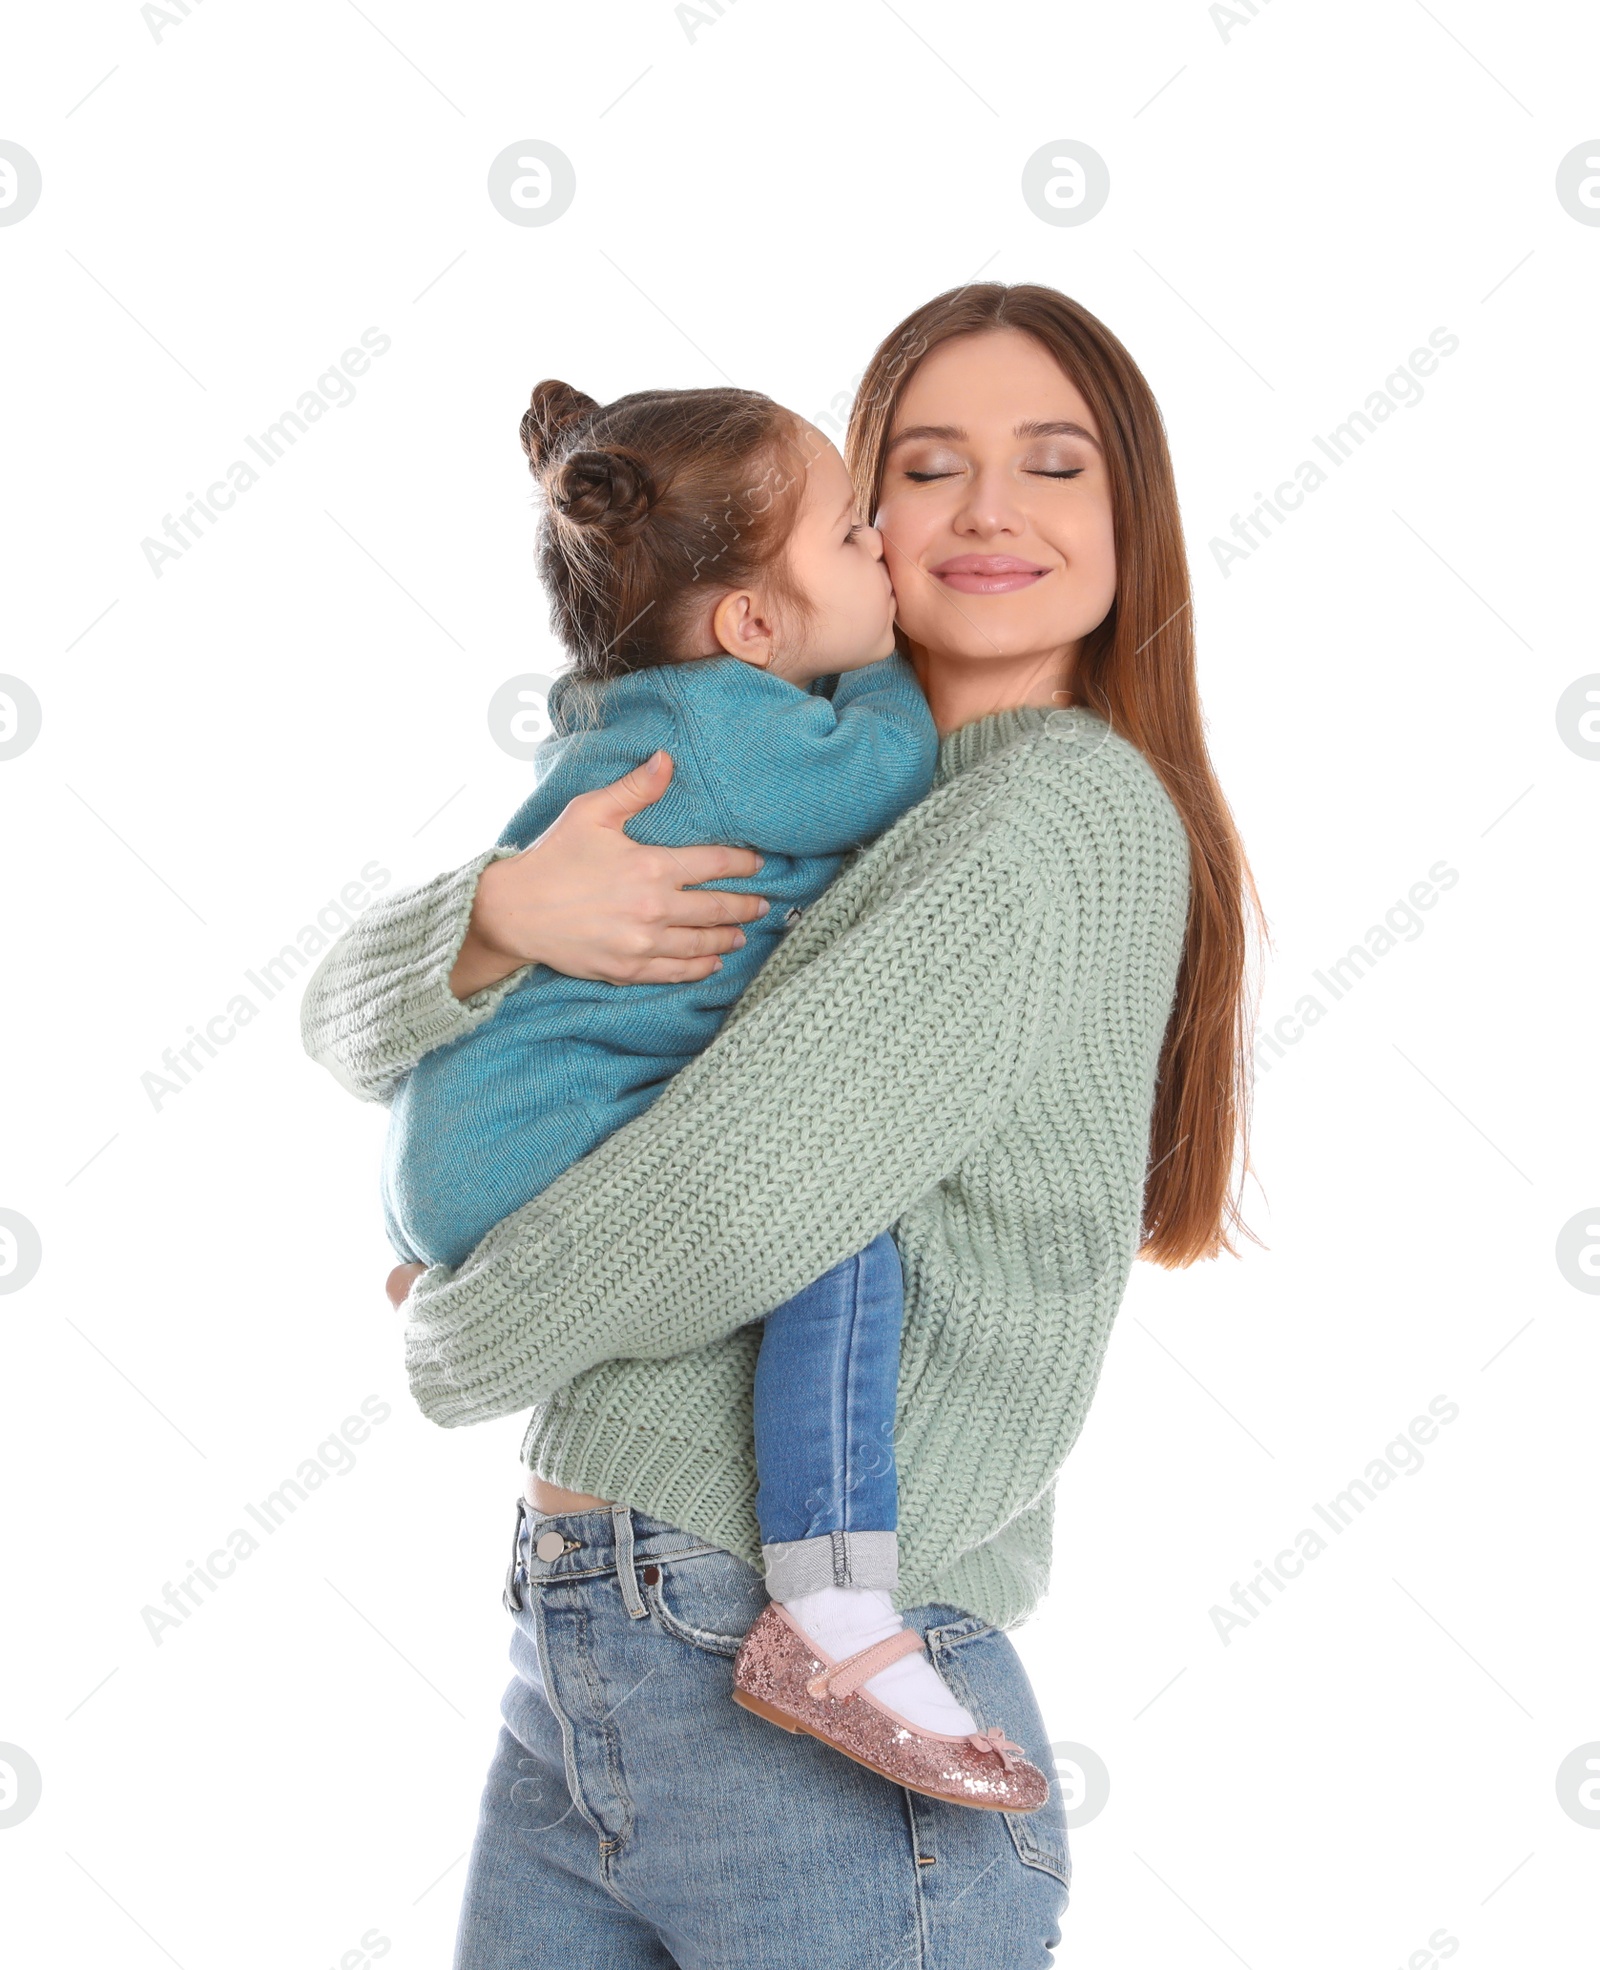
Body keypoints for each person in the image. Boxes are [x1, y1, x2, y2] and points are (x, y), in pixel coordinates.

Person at [301, 281, 1261, 1968]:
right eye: (925, 460)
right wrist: (506, 910)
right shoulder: (793, 787)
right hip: (606, 1645)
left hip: (782, 1655)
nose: (982, 510)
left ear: (1135, 522)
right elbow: (338, 1021)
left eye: (1053, 465)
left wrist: (458, 1331)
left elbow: (738, 1202)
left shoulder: (1045, 812)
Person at [380, 373, 1031, 1788]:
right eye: (860, 539)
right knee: (836, 1219)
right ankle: (836, 1590)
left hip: (459, 1134)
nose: (892, 556)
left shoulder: (640, 711)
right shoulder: (745, 735)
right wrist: (926, 648)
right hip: (534, 1133)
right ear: (749, 627)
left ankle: (433, 1249)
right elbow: (895, 763)